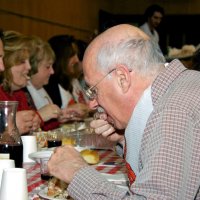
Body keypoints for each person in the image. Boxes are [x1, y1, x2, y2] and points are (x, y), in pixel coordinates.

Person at [48, 24, 200, 199]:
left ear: (122, 78)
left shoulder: (174, 112)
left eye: (93, 90)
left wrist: (77, 173)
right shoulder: (178, 90)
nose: (92, 104)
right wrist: (126, 138)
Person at [25, 36, 87, 130]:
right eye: (47, 67)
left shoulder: (40, 87)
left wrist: (62, 116)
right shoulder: (24, 91)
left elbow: (47, 125)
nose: (52, 72)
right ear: (32, 67)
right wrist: (40, 116)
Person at [0, 30, 41, 134]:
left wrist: (35, 121)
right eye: (22, 61)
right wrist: (7, 126)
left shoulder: (20, 93)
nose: (29, 67)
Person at [44, 35, 89, 106]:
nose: (77, 60)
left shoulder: (68, 81)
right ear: (61, 58)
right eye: (72, 55)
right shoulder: (50, 86)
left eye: (77, 55)